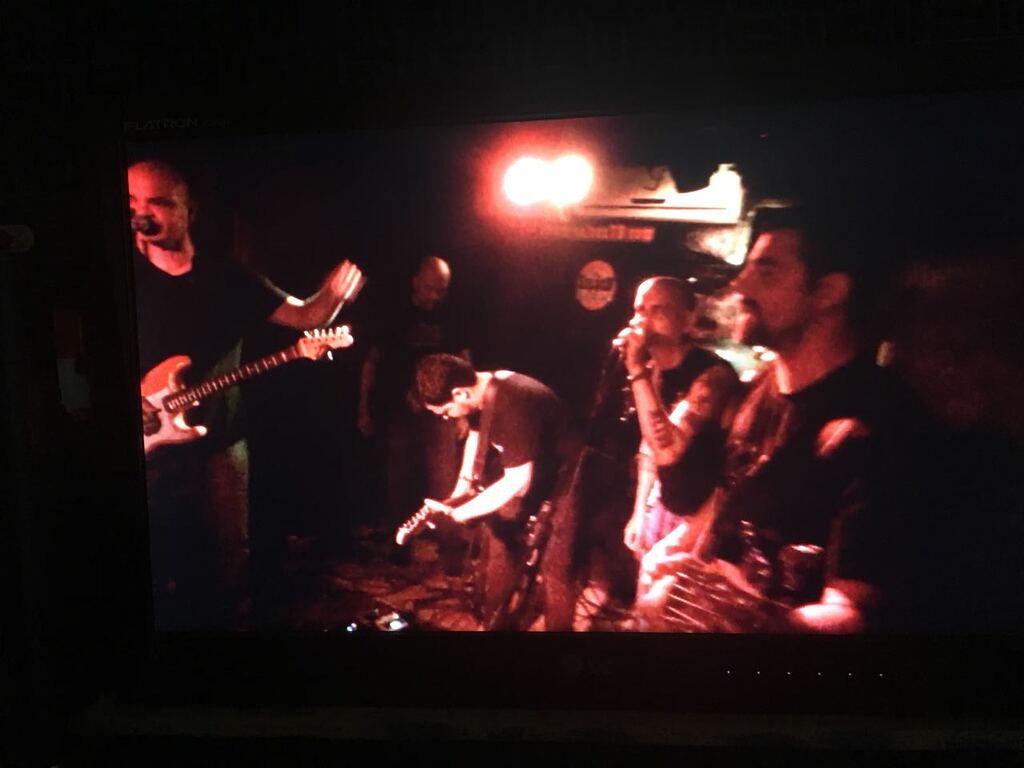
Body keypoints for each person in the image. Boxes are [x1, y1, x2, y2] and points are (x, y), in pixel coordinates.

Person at [638, 203, 911, 633]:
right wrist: (682, 548)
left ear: (828, 291)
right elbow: (732, 494)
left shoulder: (880, 425)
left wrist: (743, 616)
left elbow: (852, 611)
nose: (739, 283)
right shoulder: (758, 392)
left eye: (766, 272)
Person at [131, 159, 363, 628]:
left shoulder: (226, 277)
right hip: (151, 448)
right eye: (132, 203)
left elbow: (306, 317)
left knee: (227, 558)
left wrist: (335, 296)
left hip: (220, 440)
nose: (142, 215)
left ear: (189, 211)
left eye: (159, 203)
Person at [568, 277, 738, 629]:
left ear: (688, 318)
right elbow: (648, 449)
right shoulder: (653, 372)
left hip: (702, 514)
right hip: (663, 502)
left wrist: (636, 372)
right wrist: (639, 512)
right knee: (644, 602)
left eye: (658, 310)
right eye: (639, 309)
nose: (643, 320)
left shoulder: (713, 375)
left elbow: (669, 446)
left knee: (673, 612)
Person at [409, 354, 572, 630]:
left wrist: (461, 513)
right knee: (499, 540)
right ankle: (494, 624)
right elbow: (476, 442)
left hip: (570, 475)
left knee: (556, 567)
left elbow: (518, 481)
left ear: (459, 394)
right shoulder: (482, 392)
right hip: (537, 470)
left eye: (446, 412)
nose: (447, 418)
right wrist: (459, 491)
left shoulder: (513, 402)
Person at [358, 256, 470, 534]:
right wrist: (363, 408)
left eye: (441, 290)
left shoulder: (452, 317)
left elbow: (465, 364)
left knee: (444, 479)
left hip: (444, 410)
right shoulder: (395, 313)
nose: (434, 296)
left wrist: (465, 415)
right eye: (429, 288)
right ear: (416, 281)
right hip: (401, 408)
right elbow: (372, 362)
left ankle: (446, 541)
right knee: (399, 477)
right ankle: (399, 538)